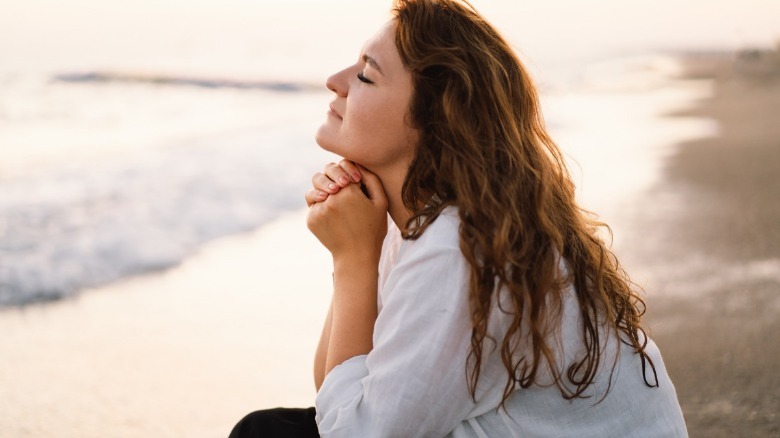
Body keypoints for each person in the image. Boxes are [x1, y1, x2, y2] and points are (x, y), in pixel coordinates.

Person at [229, 0, 688, 436]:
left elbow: (354, 430)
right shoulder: (423, 219)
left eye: (366, 76)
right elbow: (335, 393)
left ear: (435, 122)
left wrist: (352, 260)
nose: (335, 80)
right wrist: (357, 255)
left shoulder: (460, 247)